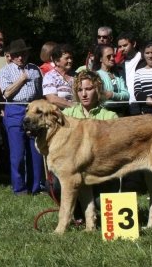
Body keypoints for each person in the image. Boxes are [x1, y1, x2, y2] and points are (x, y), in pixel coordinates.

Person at [49, 70, 120, 220]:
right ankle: (77, 215)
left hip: (100, 172)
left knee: (101, 203)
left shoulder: (110, 116)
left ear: (98, 90)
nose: (84, 94)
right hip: (73, 170)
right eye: (80, 90)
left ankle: (93, 212)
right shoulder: (67, 115)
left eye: (88, 89)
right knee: (55, 184)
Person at [0, 40, 44, 196]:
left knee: (35, 150)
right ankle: (19, 188)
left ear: (27, 54)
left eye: (23, 54)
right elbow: (7, 93)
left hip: (32, 109)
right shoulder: (5, 71)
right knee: (17, 153)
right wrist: (22, 79)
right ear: (11, 56)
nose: (20, 58)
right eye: (17, 55)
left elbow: (39, 93)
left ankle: (35, 187)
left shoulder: (36, 70)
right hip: (14, 110)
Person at [91, 44, 129, 115]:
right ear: (100, 59)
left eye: (113, 56)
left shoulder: (118, 75)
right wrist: (119, 96)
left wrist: (112, 95)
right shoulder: (95, 76)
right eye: (108, 56)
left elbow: (126, 95)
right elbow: (99, 97)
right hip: (103, 114)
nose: (112, 58)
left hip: (120, 114)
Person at [117, 32, 147, 115]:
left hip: (144, 106)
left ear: (134, 44)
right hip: (127, 108)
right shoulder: (119, 66)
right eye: (120, 46)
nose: (122, 49)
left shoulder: (145, 59)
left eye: (125, 45)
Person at [43, 44, 75, 109]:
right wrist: (73, 107)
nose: (70, 61)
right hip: (60, 115)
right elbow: (52, 99)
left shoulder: (77, 76)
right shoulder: (50, 77)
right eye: (67, 58)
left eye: (71, 58)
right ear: (57, 61)